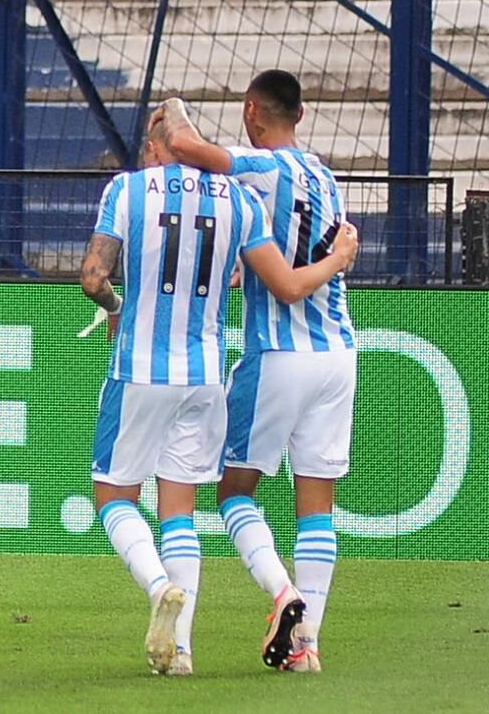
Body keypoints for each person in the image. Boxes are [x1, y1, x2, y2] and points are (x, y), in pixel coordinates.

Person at [79, 111, 359, 675]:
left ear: (158, 148)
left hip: (140, 369)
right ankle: (181, 651)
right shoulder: (240, 200)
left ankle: (160, 591)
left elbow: (92, 276)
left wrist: (114, 309)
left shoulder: (128, 190)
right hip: (206, 375)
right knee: (179, 510)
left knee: (113, 496)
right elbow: (267, 275)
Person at [156, 72, 357, 674]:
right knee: (316, 505)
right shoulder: (323, 173)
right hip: (339, 353)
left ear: (252, 111)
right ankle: (306, 647)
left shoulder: (261, 168)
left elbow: (187, 146)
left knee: (233, 491)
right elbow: (298, 245)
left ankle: (284, 593)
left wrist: (172, 106)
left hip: (279, 354)